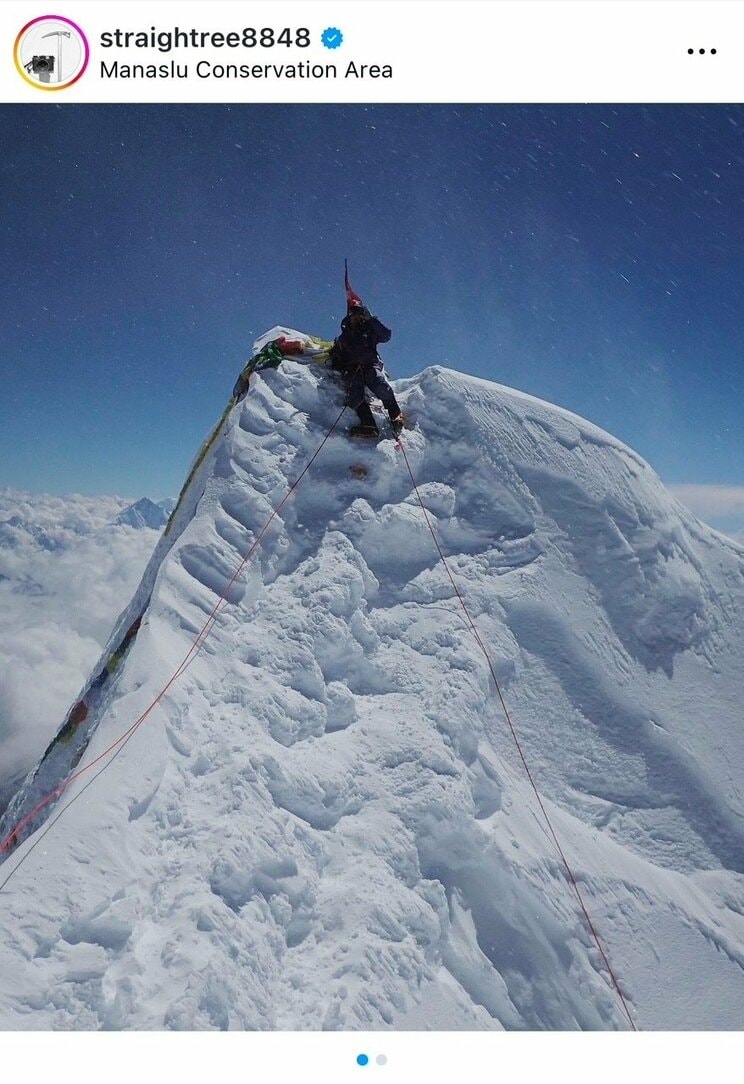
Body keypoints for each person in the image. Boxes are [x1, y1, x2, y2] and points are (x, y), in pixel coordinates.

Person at [329, 265, 404, 438]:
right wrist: (341, 365)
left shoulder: (369, 332)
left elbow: (386, 336)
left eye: (360, 314)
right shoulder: (343, 338)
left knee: (380, 385)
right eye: (354, 314)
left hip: (370, 366)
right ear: (349, 317)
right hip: (352, 369)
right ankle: (369, 425)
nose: (357, 317)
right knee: (354, 395)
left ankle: (395, 414)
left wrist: (372, 321)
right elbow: (337, 355)